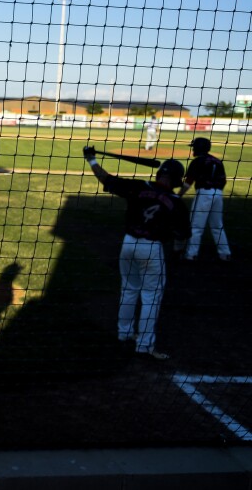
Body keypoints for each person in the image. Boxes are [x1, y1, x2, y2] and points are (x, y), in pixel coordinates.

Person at [83, 146, 191, 360]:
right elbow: (183, 234)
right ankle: (144, 345)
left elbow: (107, 179)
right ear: (178, 180)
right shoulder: (177, 203)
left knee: (129, 289)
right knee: (151, 297)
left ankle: (124, 333)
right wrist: (178, 252)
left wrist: (91, 160)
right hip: (151, 248)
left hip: (128, 244)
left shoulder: (138, 186)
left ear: (159, 174)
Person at [179, 137, 231, 262]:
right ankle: (225, 253)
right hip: (218, 194)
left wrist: (179, 195)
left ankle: (191, 255)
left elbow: (188, 182)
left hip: (203, 194)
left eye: (194, 147)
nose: (192, 149)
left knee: (196, 226)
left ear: (198, 148)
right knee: (217, 226)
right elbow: (223, 181)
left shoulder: (197, 161)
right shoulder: (217, 161)